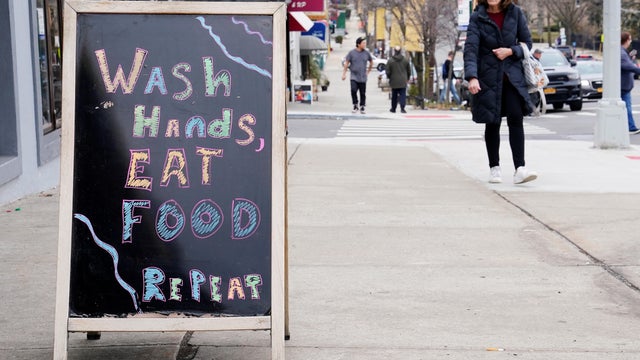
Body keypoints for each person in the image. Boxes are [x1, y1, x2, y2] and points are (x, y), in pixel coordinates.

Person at [463, 0, 537, 184]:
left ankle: (520, 168)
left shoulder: (516, 13)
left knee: (516, 117)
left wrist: (511, 51)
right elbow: (471, 49)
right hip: (487, 78)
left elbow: (527, 43)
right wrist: (472, 76)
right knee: (492, 122)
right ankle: (494, 168)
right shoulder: (477, 17)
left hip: (512, 78)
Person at [342, 37, 373, 114]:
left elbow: (371, 61)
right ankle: (355, 104)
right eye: (363, 43)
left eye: (365, 43)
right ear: (358, 44)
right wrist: (344, 74)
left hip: (363, 77)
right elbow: (346, 63)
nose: (364, 44)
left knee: (362, 93)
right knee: (353, 90)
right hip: (354, 76)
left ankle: (362, 106)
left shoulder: (366, 53)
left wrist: (368, 71)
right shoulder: (352, 53)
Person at [620, 32, 640, 134]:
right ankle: (631, 127)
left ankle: (631, 126)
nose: (631, 41)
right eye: (630, 39)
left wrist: (630, 58)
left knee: (626, 107)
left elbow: (627, 64)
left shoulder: (624, 52)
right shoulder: (621, 53)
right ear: (626, 40)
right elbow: (627, 66)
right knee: (626, 107)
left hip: (625, 86)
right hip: (623, 86)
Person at [385, 46, 411, 113]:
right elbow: (409, 71)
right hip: (403, 80)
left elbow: (387, 71)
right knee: (403, 95)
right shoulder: (405, 60)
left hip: (394, 80)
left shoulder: (390, 60)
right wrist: (407, 78)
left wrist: (389, 77)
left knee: (394, 95)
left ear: (394, 51)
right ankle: (402, 108)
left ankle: (393, 108)